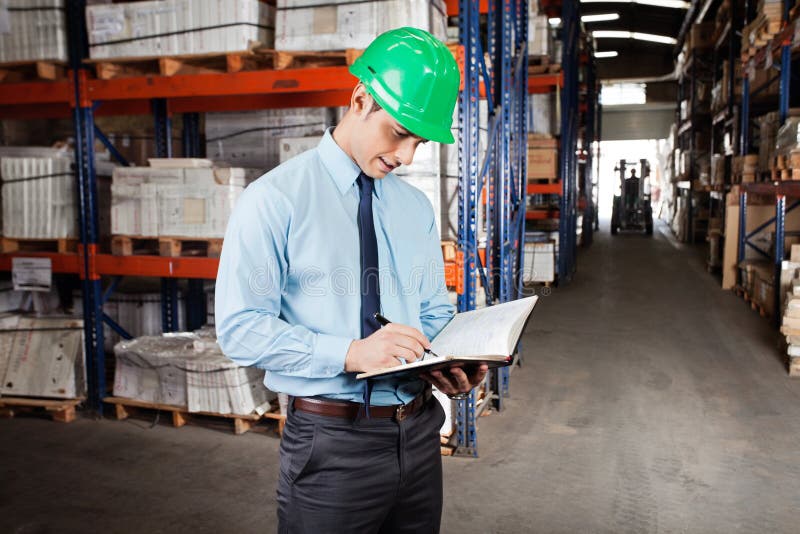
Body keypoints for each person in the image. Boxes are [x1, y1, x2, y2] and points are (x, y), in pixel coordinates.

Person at [215, 27, 488, 533]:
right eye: (400, 133)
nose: (407, 156)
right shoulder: (275, 200)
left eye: (420, 141)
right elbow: (241, 328)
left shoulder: (414, 207)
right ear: (360, 98)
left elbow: (432, 310)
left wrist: (454, 362)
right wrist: (348, 353)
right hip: (331, 445)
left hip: (420, 431)